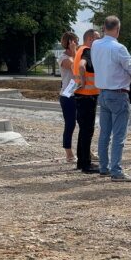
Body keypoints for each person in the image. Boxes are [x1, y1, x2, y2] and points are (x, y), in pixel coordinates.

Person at [91, 16, 131, 182]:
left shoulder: (95, 45)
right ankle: (116, 171)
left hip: (103, 93)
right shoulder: (119, 48)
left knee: (104, 133)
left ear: (104, 28)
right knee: (118, 135)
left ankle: (103, 167)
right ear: (117, 29)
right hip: (118, 94)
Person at [73, 29, 100, 174]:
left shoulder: (79, 50)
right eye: (97, 38)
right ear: (90, 39)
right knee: (87, 131)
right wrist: (83, 81)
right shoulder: (88, 51)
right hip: (87, 95)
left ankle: (81, 161)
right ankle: (86, 164)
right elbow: (82, 66)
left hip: (80, 95)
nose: (99, 41)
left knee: (83, 130)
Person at [57, 32, 79, 163]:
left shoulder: (77, 55)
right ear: (69, 43)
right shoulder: (63, 58)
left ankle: (85, 150)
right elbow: (75, 68)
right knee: (70, 124)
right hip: (68, 95)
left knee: (85, 124)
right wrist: (74, 51)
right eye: (74, 41)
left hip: (80, 94)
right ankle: (68, 153)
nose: (77, 43)